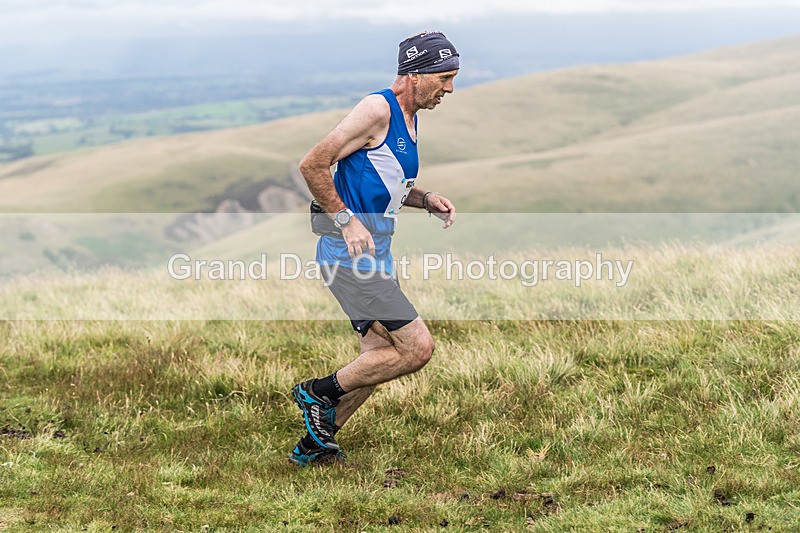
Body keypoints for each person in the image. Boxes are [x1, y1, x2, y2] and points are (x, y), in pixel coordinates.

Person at [289, 30, 460, 466]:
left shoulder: (410, 115)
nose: (450, 89)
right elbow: (312, 164)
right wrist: (346, 222)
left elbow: (380, 179)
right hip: (349, 254)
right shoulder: (377, 109)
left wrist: (424, 199)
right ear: (415, 73)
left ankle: (313, 447)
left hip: (374, 252)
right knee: (417, 348)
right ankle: (317, 393)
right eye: (444, 77)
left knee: (380, 355)